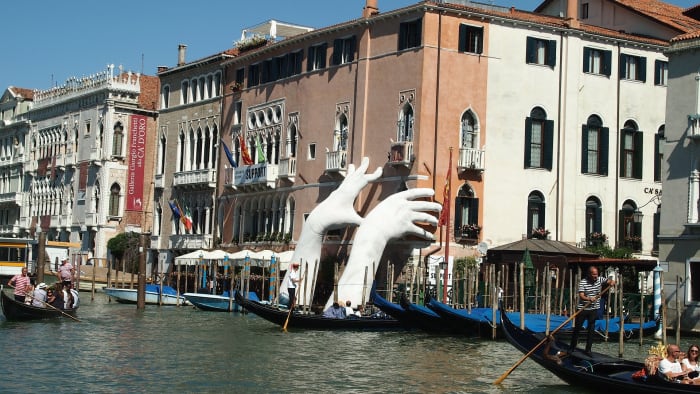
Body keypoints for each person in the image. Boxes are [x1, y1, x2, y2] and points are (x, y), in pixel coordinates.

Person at [569, 266, 615, 356]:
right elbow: (581, 295)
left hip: (593, 309)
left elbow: (609, 281)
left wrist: (612, 282)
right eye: (594, 274)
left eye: (596, 274)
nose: (595, 276)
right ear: (589, 274)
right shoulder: (583, 282)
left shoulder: (599, 279)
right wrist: (589, 298)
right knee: (577, 328)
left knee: (591, 329)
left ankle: (588, 350)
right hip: (583, 308)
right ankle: (572, 348)